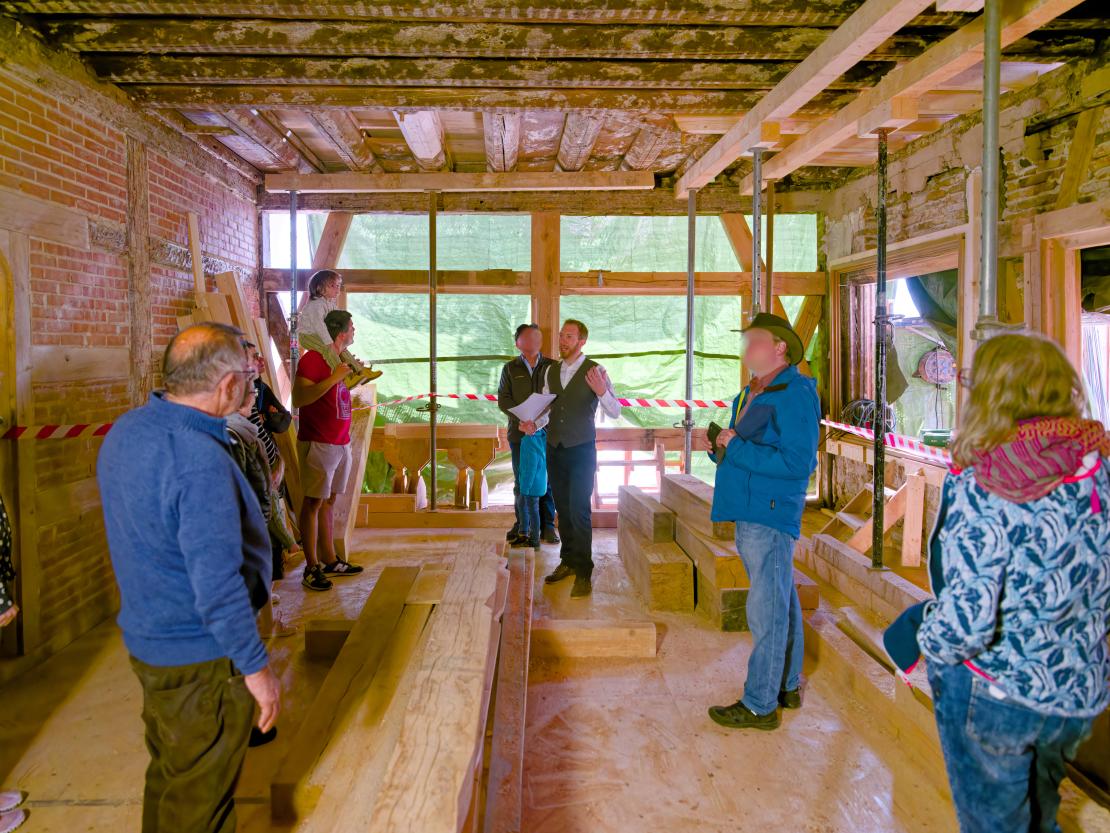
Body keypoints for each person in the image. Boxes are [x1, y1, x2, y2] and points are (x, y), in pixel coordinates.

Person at [908, 333, 1108, 833]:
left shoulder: (985, 480)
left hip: (998, 691)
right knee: (1042, 815)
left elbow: (967, 622)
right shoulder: (1096, 465)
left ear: (988, 394)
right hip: (1075, 690)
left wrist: (925, 640)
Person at [97, 322, 280, 833]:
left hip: (152, 642)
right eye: (247, 374)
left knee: (174, 778)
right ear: (225, 386)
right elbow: (218, 586)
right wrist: (257, 670)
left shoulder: (129, 430)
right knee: (203, 807)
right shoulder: (198, 461)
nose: (251, 384)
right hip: (201, 658)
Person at [706, 312, 819, 731]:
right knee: (780, 600)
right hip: (752, 507)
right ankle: (786, 686)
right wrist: (722, 447)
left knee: (766, 610)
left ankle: (759, 704)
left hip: (769, 512)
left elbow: (797, 462)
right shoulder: (754, 390)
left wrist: (735, 448)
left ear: (780, 348)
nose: (747, 347)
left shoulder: (794, 394)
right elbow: (749, 444)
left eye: (756, 340)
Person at [526, 319, 621, 598]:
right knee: (563, 511)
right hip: (555, 447)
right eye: (561, 335)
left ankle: (584, 570)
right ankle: (567, 561)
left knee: (579, 510)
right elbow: (546, 410)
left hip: (581, 449)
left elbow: (615, 411)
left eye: (569, 336)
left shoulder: (596, 370)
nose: (562, 340)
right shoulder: (551, 371)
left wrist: (601, 391)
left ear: (582, 341)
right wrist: (534, 424)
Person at [293, 309, 365, 591]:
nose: (354, 332)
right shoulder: (314, 359)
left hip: (340, 440)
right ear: (342, 332)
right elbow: (299, 397)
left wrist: (353, 378)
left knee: (330, 501)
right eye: (352, 327)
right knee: (312, 503)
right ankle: (310, 568)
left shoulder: (339, 360)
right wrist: (336, 377)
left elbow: (333, 393)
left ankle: (329, 559)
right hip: (319, 441)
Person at [497, 322, 558, 547]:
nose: (534, 340)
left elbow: (556, 398)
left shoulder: (553, 366)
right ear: (518, 343)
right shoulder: (510, 368)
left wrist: (539, 422)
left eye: (537, 336)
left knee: (546, 481)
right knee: (522, 481)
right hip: (519, 434)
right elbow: (503, 399)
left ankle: (547, 525)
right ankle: (522, 524)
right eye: (528, 336)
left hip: (547, 433)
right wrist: (520, 420)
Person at [297, 269, 381, 384]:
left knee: (341, 347)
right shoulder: (316, 305)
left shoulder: (330, 304)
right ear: (319, 288)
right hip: (308, 336)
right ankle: (345, 377)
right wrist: (330, 342)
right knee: (329, 349)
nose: (337, 289)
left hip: (319, 334)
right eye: (333, 286)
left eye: (338, 285)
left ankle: (359, 371)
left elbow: (339, 318)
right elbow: (319, 326)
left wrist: (340, 342)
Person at [515, 425, 550, 551]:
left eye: (523, 423)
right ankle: (523, 533)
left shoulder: (530, 441)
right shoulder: (539, 437)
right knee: (522, 505)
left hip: (531, 485)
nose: (520, 424)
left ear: (531, 427)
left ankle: (534, 540)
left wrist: (526, 487)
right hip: (537, 482)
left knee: (532, 511)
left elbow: (531, 466)